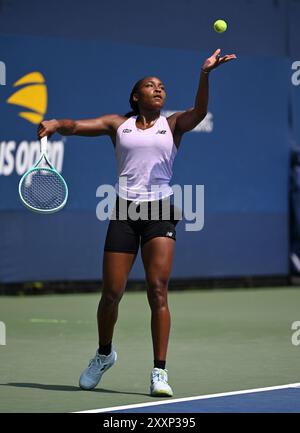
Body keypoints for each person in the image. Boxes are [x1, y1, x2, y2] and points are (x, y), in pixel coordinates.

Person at [37, 48, 236, 397]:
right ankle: (103, 354)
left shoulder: (172, 124)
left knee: (157, 289)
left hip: (159, 210)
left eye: (161, 86)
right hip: (125, 212)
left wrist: (205, 74)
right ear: (136, 96)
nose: (158, 89)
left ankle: (159, 372)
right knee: (111, 294)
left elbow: (201, 111)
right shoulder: (119, 125)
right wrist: (55, 124)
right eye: (150, 85)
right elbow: (78, 126)